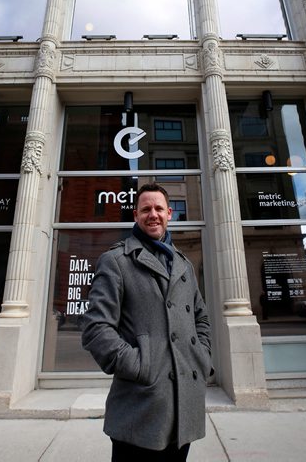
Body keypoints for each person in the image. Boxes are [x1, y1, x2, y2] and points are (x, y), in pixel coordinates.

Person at [82, 182, 211, 461]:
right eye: (146, 209)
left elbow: (201, 316)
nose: (153, 214)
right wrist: (141, 365)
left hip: (184, 404)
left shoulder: (184, 264)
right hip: (140, 405)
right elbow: (96, 329)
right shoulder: (116, 260)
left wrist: (201, 357)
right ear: (135, 216)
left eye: (159, 209)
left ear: (169, 214)